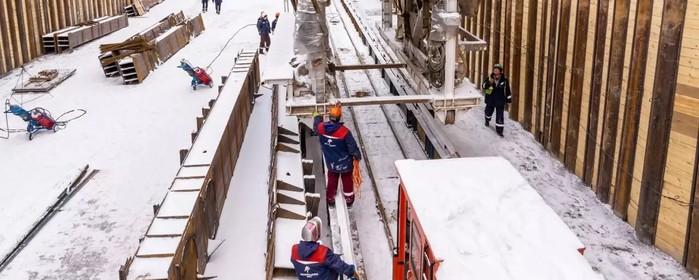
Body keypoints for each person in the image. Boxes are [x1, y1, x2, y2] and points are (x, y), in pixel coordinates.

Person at [313, 103, 361, 207]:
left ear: (330, 117)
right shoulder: (344, 132)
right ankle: (349, 200)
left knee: (332, 178)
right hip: (345, 163)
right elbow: (352, 148)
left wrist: (317, 116)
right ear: (339, 117)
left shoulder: (321, 128)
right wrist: (357, 156)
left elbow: (316, 127)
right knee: (347, 179)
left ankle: (330, 199)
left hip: (331, 162)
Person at [291, 217, 357, 280]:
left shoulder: (294, 249)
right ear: (317, 234)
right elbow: (339, 265)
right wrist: (352, 272)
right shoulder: (323, 252)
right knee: (335, 262)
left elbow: (296, 262)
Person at [482, 63, 512, 137]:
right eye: (494, 69)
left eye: (497, 69)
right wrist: (489, 83)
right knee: (488, 112)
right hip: (490, 99)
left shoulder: (504, 80)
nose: (495, 70)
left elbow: (507, 90)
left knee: (500, 116)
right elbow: (483, 86)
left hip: (500, 101)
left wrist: (509, 100)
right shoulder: (489, 78)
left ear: (500, 71)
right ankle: (487, 120)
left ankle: (499, 130)